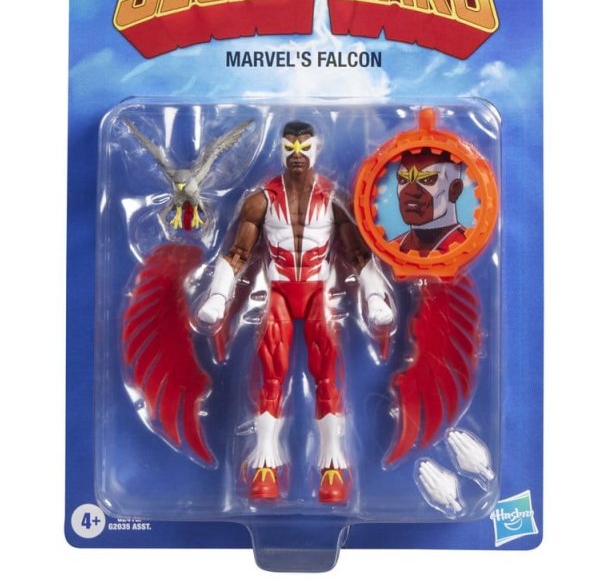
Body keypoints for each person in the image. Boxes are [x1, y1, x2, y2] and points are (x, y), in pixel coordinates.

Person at [198, 120, 392, 502]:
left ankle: (332, 470)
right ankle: (265, 467)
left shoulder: (333, 198)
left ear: (317, 148)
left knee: (327, 376)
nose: (298, 154)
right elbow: (238, 253)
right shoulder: (261, 200)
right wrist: (218, 297)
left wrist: (374, 297)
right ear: (281, 149)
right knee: (272, 376)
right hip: (279, 292)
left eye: (305, 147)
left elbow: (357, 253)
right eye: (291, 147)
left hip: (319, 291)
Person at [393, 149, 466, 255]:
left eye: (427, 180)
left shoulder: (465, 245)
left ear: (454, 190)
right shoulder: (395, 246)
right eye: (403, 180)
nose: (411, 191)